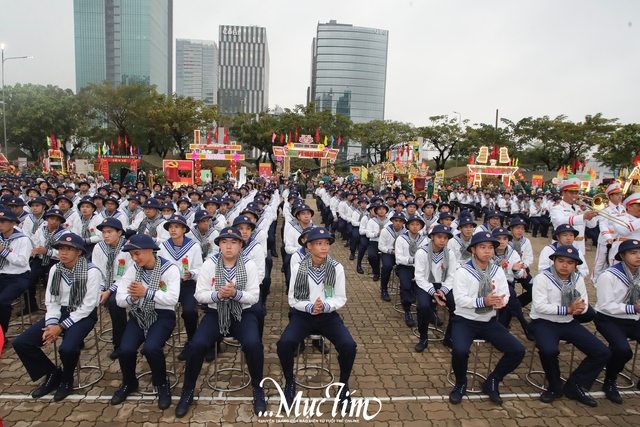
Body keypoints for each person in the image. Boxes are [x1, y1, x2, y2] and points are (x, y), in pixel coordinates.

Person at [175, 227, 264, 417]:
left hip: (242, 313)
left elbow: (254, 296)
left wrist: (235, 294)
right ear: (219, 245)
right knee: (196, 344)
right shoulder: (210, 264)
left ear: (240, 245)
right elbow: (199, 294)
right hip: (215, 313)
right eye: (224, 242)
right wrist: (217, 295)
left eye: (233, 242)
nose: (228, 246)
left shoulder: (248, 265)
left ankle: (258, 388)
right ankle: (188, 389)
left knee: (253, 344)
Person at [12, 234, 101, 401]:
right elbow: (51, 300)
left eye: (69, 249)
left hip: (83, 315)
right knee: (22, 343)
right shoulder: (55, 269)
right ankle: (52, 372)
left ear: (79, 252)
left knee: (67, 348)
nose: (63, 253)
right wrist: (53, 322)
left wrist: (60, 327)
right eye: (61, 249)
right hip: (60, 312)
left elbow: (88, 306)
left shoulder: (92, 271)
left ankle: (67, 378)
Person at [277, 227, 357, 409]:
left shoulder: (336, 268)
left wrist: (326, 306)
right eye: (319, 244)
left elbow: (340, 297)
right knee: (284, 344)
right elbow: (293, 299)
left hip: (328, 316)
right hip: (303, 316)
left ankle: (343, 386)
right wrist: (310, 306)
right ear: (309, 246)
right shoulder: (298, 268)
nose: (324, 247)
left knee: (349, 345)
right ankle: (289, 383)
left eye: (327, 243)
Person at [448, 231, 525, 405]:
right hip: (464, 321)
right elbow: (459, 300)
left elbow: (504, 293)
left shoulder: (497, 271)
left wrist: (500, 302)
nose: (488, 251)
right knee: (460, 351)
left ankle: (493, 380)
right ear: (473, 250)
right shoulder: (463, 271)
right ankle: (460, 383)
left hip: (488, 320)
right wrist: (484, 301)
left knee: (517, 350)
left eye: (491, 248)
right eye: (483, 247)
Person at [530, 245, 611, 406]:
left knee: (602, 352)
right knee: (549, 350)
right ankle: (554, 386)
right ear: (554, 261)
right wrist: (569, 309)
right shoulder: (543, 278)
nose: (564, 265)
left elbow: (584, 303)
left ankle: (575, 384)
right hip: (543, 322)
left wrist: (581, 308)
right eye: (560, 261)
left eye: (570, 262)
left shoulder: (578, 279)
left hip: (568, 321)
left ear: (575, 266)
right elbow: (540, 306)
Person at [111, 234, 180, 410]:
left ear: (150, 250)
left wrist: (146, 292)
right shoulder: (134, 269)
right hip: (139, 313)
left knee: (151, 348)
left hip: (162, 315)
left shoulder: (169, 268)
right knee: (125, 349)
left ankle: (161, 383)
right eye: (132, 254)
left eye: (137, 253)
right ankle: (129, 382)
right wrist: (133, 298)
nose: (135, 258)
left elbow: (172, 299)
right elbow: (120, 299)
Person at [595, 239, 640, 404]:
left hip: (634, 318)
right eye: (633, 253)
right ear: (622, 255)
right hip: (610, 319)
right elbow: (605, 306)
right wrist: (633, 308)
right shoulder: (609, 275)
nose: (638, 257)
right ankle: (610, 380)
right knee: (622, 349)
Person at [157, 214, 203, 361]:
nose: (173, 230)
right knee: (158, 309)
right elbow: (160, 267)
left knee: (189, 311)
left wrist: (192, 273)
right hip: (168, 285)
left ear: (184, 229)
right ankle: (157, 339)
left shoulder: (193, 246)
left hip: (187, 284)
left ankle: (191, 340)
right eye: (170, 227)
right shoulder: (163, 246)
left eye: (177, 227)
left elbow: (199, 268)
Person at [92, 217, 133, 360]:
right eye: (103, 232)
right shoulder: (99, 247)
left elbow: (128, 275)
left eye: (110, 232)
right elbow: (97, 271)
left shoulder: (128, 247)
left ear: (119, 232)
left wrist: (109, 291)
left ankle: (120, 343)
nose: (106, 235)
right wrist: (102, 289)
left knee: (114, 303)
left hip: (126, 283)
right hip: (105, 284)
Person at [413, 224, 455, 352]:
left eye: (445, 238)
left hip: (443, 285)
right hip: (425, 285)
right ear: (432, 237)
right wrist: (433, 292)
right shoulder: (422, 252)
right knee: (423, 306)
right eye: (439, 237)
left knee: (456, 306)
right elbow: (419, 277)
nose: (442, 240)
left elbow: (452, 275)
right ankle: (423, 336)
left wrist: (443, 290)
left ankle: (449, 337)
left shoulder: (450, 253)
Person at [0, 209, 33, 337]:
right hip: (2, 275)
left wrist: (3, 252)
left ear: (13, 223)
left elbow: (22, 262)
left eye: (3, 222)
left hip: (19, 277)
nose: (0, 225)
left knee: (2, 301)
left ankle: (2, 334)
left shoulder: (23, 240)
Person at [550, 178, 598, 254]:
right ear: (564, 193)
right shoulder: (556, 208)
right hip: (563, 245)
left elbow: (592, 225)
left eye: (576, 193)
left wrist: (586, 210)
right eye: (571, 193)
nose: (574, 196)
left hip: (580, 245)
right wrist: (583, 217)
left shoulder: (579, 208)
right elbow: (560, 221)